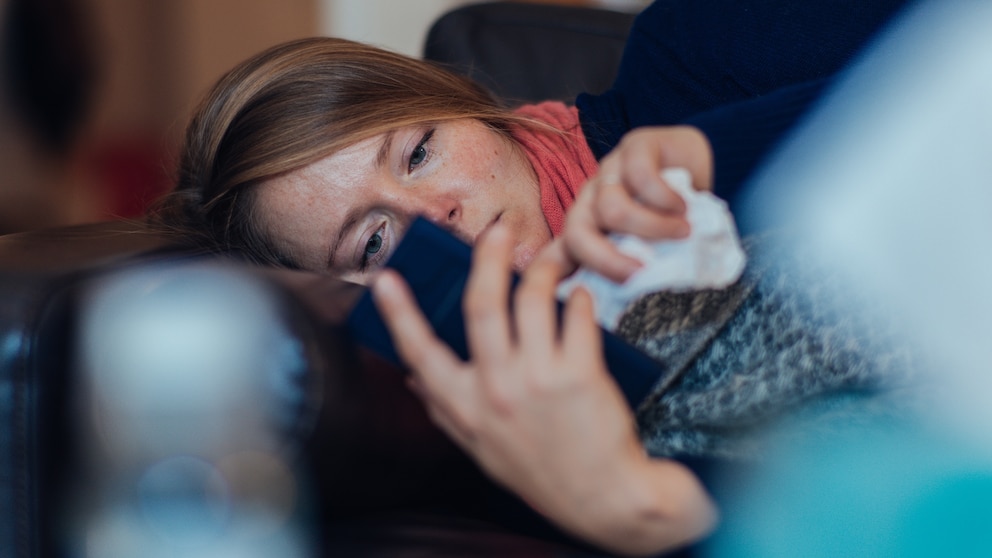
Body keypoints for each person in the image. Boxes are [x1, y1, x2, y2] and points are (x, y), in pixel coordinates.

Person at [152, 0, 919, 554]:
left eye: (419, 153)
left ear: (472, 109)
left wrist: (715, 153)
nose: (436, 213)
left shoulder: (686, 52)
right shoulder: (512, 426)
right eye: (376, 240)